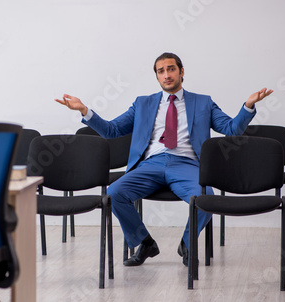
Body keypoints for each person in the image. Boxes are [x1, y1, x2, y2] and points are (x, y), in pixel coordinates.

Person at [55, 52, 273, 267]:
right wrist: (84, 110)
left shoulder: (203, 102)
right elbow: (112, 130)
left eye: (171, 69)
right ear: (157, 76)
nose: (166, 74)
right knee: (114, 193)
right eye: (161, 71)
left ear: (181, 72)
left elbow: (231, 129)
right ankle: (145, 242)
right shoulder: (143, 104)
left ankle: (187, 244)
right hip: (150, 164)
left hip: (187, 164)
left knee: (206, 198)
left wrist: (248, 106)